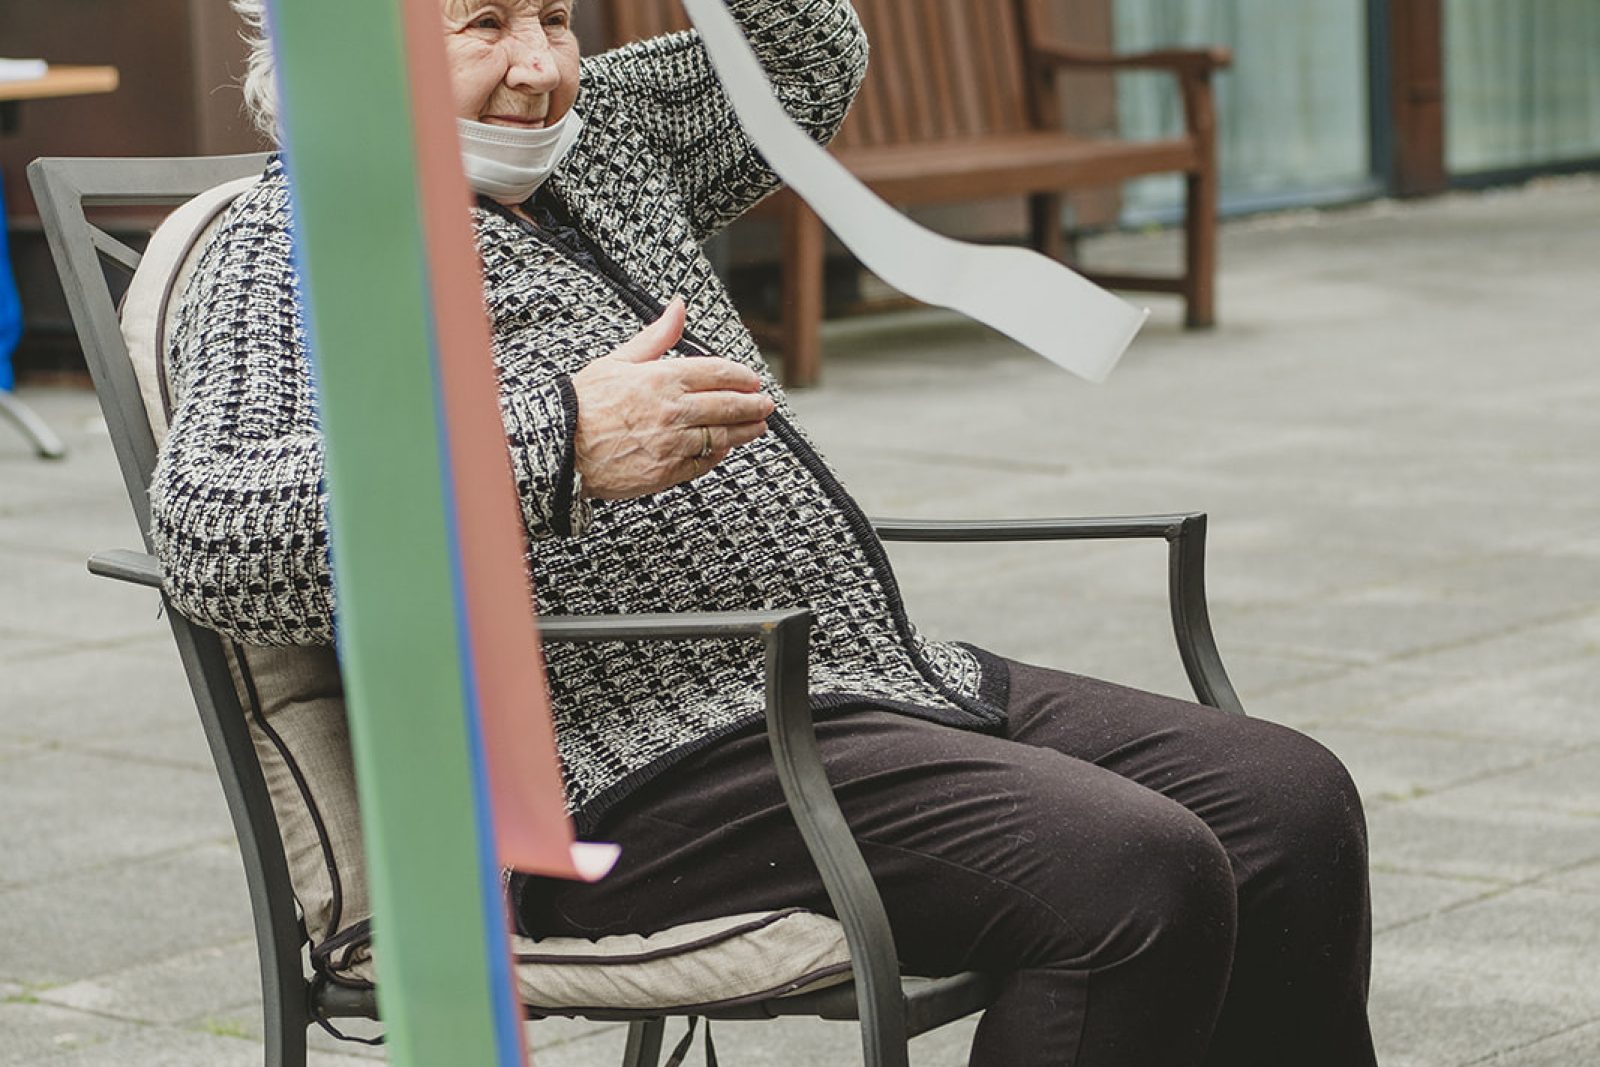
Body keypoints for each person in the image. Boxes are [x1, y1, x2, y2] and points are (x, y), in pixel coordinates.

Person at [149, 2, 1378, 1064]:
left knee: (1288, 798)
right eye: (481, 25)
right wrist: (555, 442)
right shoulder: (303, 244)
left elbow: (799, 63)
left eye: (557, 17)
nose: (540, 67)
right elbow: (211, 540)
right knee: (1129, 872)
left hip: (850, 682)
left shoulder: (602, 147)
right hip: (631, 765)